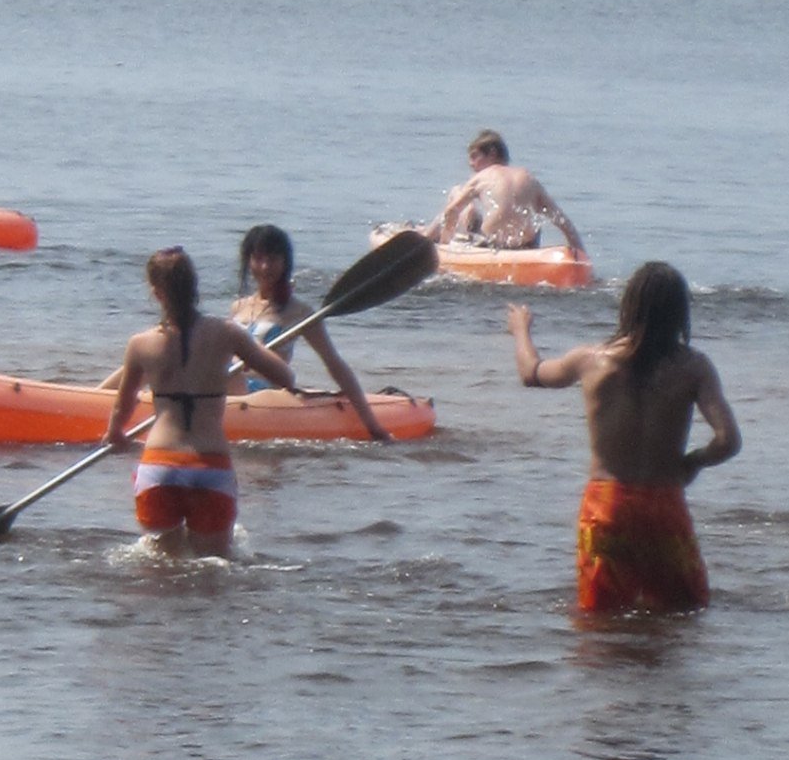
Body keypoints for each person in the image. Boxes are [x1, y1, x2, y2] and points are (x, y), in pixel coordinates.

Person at [508, 262, 740, 614]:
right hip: (663, 502)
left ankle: (605, 667)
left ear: (628, 306)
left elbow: (531, 373)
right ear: (680, 313)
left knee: (600, 617)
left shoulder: (591, 360)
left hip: (607, 504)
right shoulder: (694, 367)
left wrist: (521, 330)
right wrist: (692, 462)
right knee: (684, 612)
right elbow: (727, 440)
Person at [105, 246, 299, 554]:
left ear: (156, 293)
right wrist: (247, 358)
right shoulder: (226, 333)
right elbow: (285, 378)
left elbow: (122, 405)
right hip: (211, 464)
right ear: (195, 287)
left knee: (162, 567)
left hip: (160, 466)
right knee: (213, 567)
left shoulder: (140, 344)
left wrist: (114, 434)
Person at [231, 225, 394, 442]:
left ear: (284, 262)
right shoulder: (238, 307)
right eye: (258, 259)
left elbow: (334, 363)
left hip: (265, 393)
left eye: (272, 259)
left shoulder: (299, 312)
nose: (265, 267)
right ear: (248, 260)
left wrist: (372, 425)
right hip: (229, 385)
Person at [428, 129, 587, 256]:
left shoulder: (482, 177)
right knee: (534, 219)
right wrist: (580, 256)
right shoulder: (528, 178)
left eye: (474, 157)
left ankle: (429, 236)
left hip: (492, 245)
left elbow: (451, 211)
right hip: (525, 246)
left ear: (492, 153)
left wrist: (444, 246)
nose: (471, 164)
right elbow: (562, 221)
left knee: (458, 195)